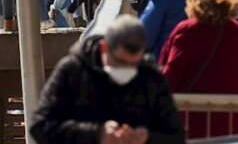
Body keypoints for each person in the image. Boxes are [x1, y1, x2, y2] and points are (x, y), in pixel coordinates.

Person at [30, 14, 184, 144]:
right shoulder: (72, 70)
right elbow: (40, 126)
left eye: (134, 64)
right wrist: (97, 134)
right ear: (104, 48)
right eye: (121, 62)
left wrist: (147, 137)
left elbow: (176, 136)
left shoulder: (151, 78)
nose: (128, 69)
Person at [159, 0, 238, 139]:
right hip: (231, 117)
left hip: (193, 117)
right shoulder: (237, 31)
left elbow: (171, 73)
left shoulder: (186, 30)